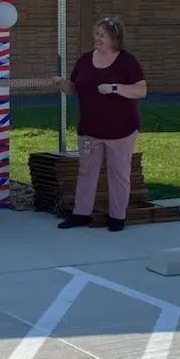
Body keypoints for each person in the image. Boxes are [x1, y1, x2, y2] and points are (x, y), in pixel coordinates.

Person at [52, 16, 147, 232]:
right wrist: (62, 83)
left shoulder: (127, 61)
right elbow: (74, 89)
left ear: (114, 39)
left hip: (121, 130)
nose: (97, 38)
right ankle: (80, 214)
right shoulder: (85, 60)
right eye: (96, 34)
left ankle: (117, 217)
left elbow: (141, 90)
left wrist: (115, 88)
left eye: (102, 35)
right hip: (90, 130)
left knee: (119, 174)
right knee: (86, 171)